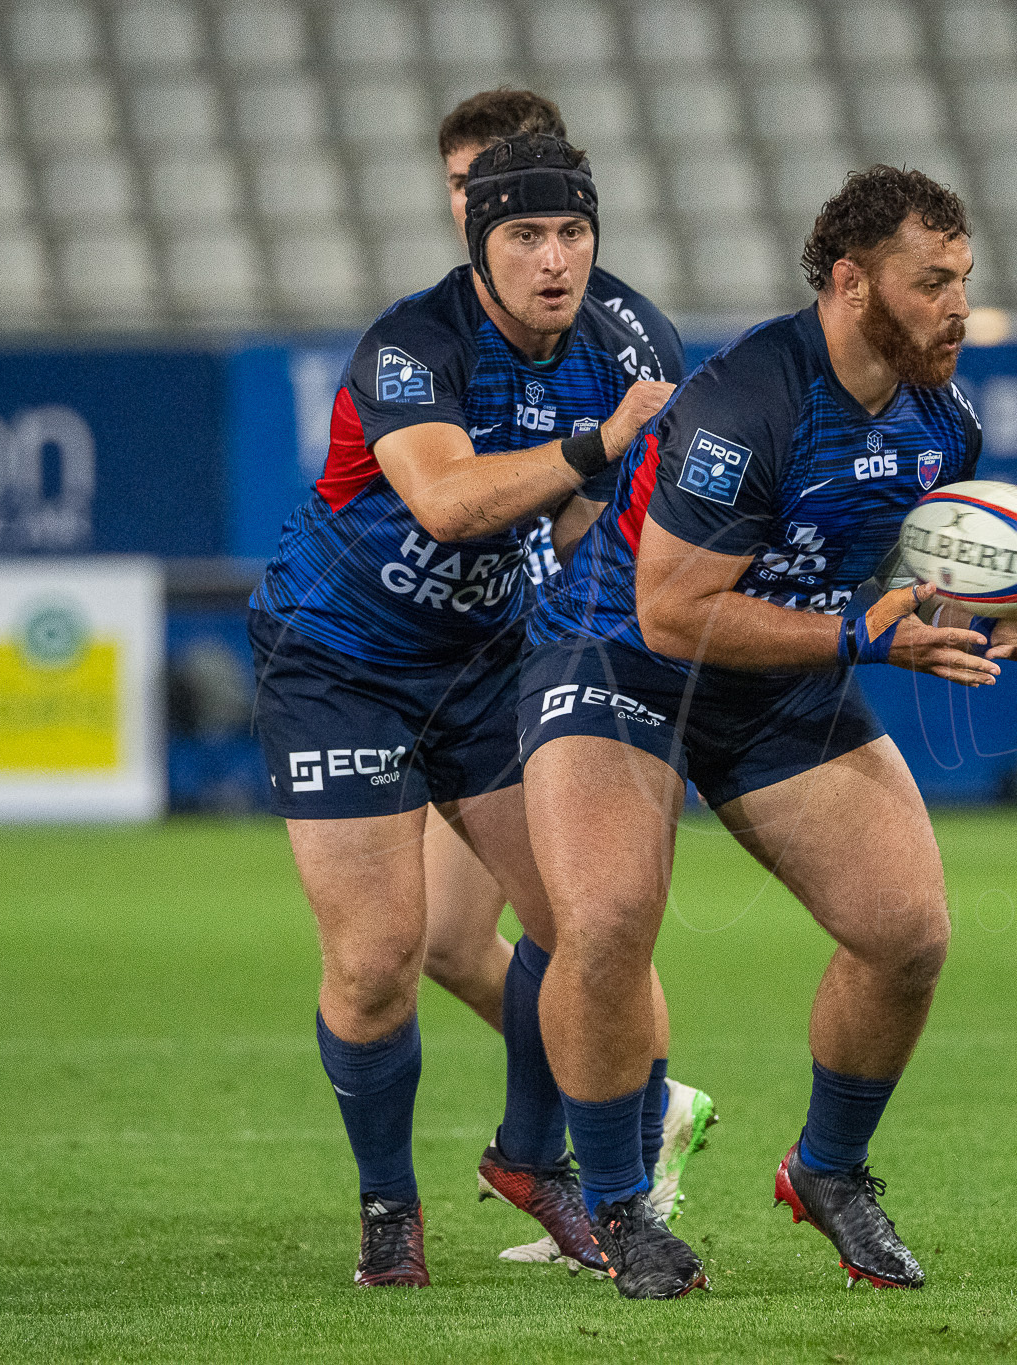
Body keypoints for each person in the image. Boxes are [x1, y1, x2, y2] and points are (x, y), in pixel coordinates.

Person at [516, 166, 1017, 1298]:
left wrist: (985, 606)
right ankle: (625, 1211)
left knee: (905, 931)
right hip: (616, 660)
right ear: (848, 282)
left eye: (963, 280)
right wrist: (860, 636)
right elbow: (671, 610)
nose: (957, 307)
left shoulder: (944, 420)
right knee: (608, 920)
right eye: (931, 282)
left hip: (776, 676)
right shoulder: (744, 406)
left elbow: (897, 562)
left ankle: (827, 1172)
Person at [248, 131, 676, 1286]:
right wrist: (597, 443)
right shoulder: (412, 345)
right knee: (381, 958)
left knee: (589, 930)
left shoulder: (628, 349)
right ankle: (389, 1206)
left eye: (573, 233)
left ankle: (535, 1162)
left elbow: (593, 528)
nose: (554, 260)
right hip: (338, 660)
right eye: (524, 236)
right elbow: (442, 502)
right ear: (476, 244)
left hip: (490, 661)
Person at [420, 88, 715, 1267]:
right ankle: (640, 1107)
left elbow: (632, 521)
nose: (474, 204)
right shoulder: (449, 331)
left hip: (569, 666)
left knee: (576, 924)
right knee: (448, 941)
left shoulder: (625, 340)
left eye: (487, 181)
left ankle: (597, 1156)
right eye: (459, 187)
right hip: (477, 663)